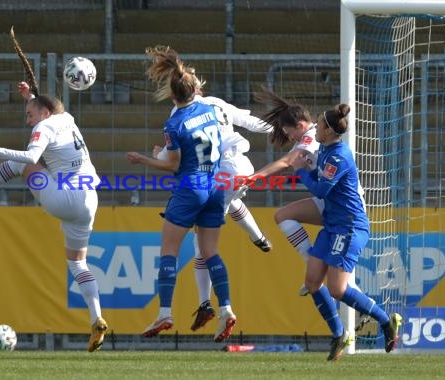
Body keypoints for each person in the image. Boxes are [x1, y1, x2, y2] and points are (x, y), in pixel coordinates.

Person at [0, 82, 108, 352]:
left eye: (29, 114)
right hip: (89, 200)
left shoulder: (43, 126)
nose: (27, 120)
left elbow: (33, 154)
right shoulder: (66, 118)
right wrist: (31, 98)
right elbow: (48, 109)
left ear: (43, 113)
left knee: (22, 163)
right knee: (78, 263)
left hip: (63, 198)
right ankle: (96, 318)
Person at [126, 45, 236, 343]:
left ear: (173, 95)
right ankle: (226, 308)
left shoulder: (174, 124)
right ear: (195, 89)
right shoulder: (210, 110)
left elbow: (172, 165)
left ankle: (165, 311)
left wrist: (145, 159)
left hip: (190, 188)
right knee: (211, 251)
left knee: (169, 250)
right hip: (215, 185)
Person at [153, 71, 274, 332]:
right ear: (197, 88)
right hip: (243, 165)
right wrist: (280, 129)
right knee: (228, 205)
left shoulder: (182, 116)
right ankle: (259, 238)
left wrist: (156, 155)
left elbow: (171, 159)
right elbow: (250, 121)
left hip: (218, 171)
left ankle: (206, 303)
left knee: (202, 245)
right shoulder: (217, 102)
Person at [289, 103, 402, 361]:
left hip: (349, 227)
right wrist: (308, 164)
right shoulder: (327, 149)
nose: (314, 128)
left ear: (328, 130)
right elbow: (319, 176)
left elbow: (320, 190)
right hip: (332, 225)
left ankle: (386, 322)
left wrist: (300, 170)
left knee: (338, 289)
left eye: (318, 124)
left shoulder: (339, 156)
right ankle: (339, 334)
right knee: (312, 281)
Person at [242, 89, 320, 296]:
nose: (289, 137)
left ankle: (313, 266)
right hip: (326, 199)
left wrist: (254, 177)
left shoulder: (311, 137)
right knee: (282, 216)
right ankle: (311, 263)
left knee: (341, 283)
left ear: (301, 126)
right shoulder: (307, 139)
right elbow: (288, 163)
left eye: (289, 132)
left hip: (341, 203)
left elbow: (287, 162)